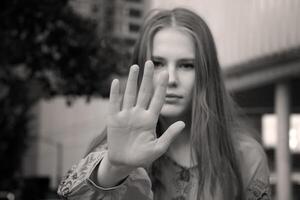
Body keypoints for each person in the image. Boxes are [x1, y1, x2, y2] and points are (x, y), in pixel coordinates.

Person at [57, 8, 270, 200]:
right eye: (158, 63)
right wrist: (113, 169)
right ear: (140, 69)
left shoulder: (245, 154)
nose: (170, 79)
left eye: (187, 65)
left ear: (206, 74)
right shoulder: (113, 150)